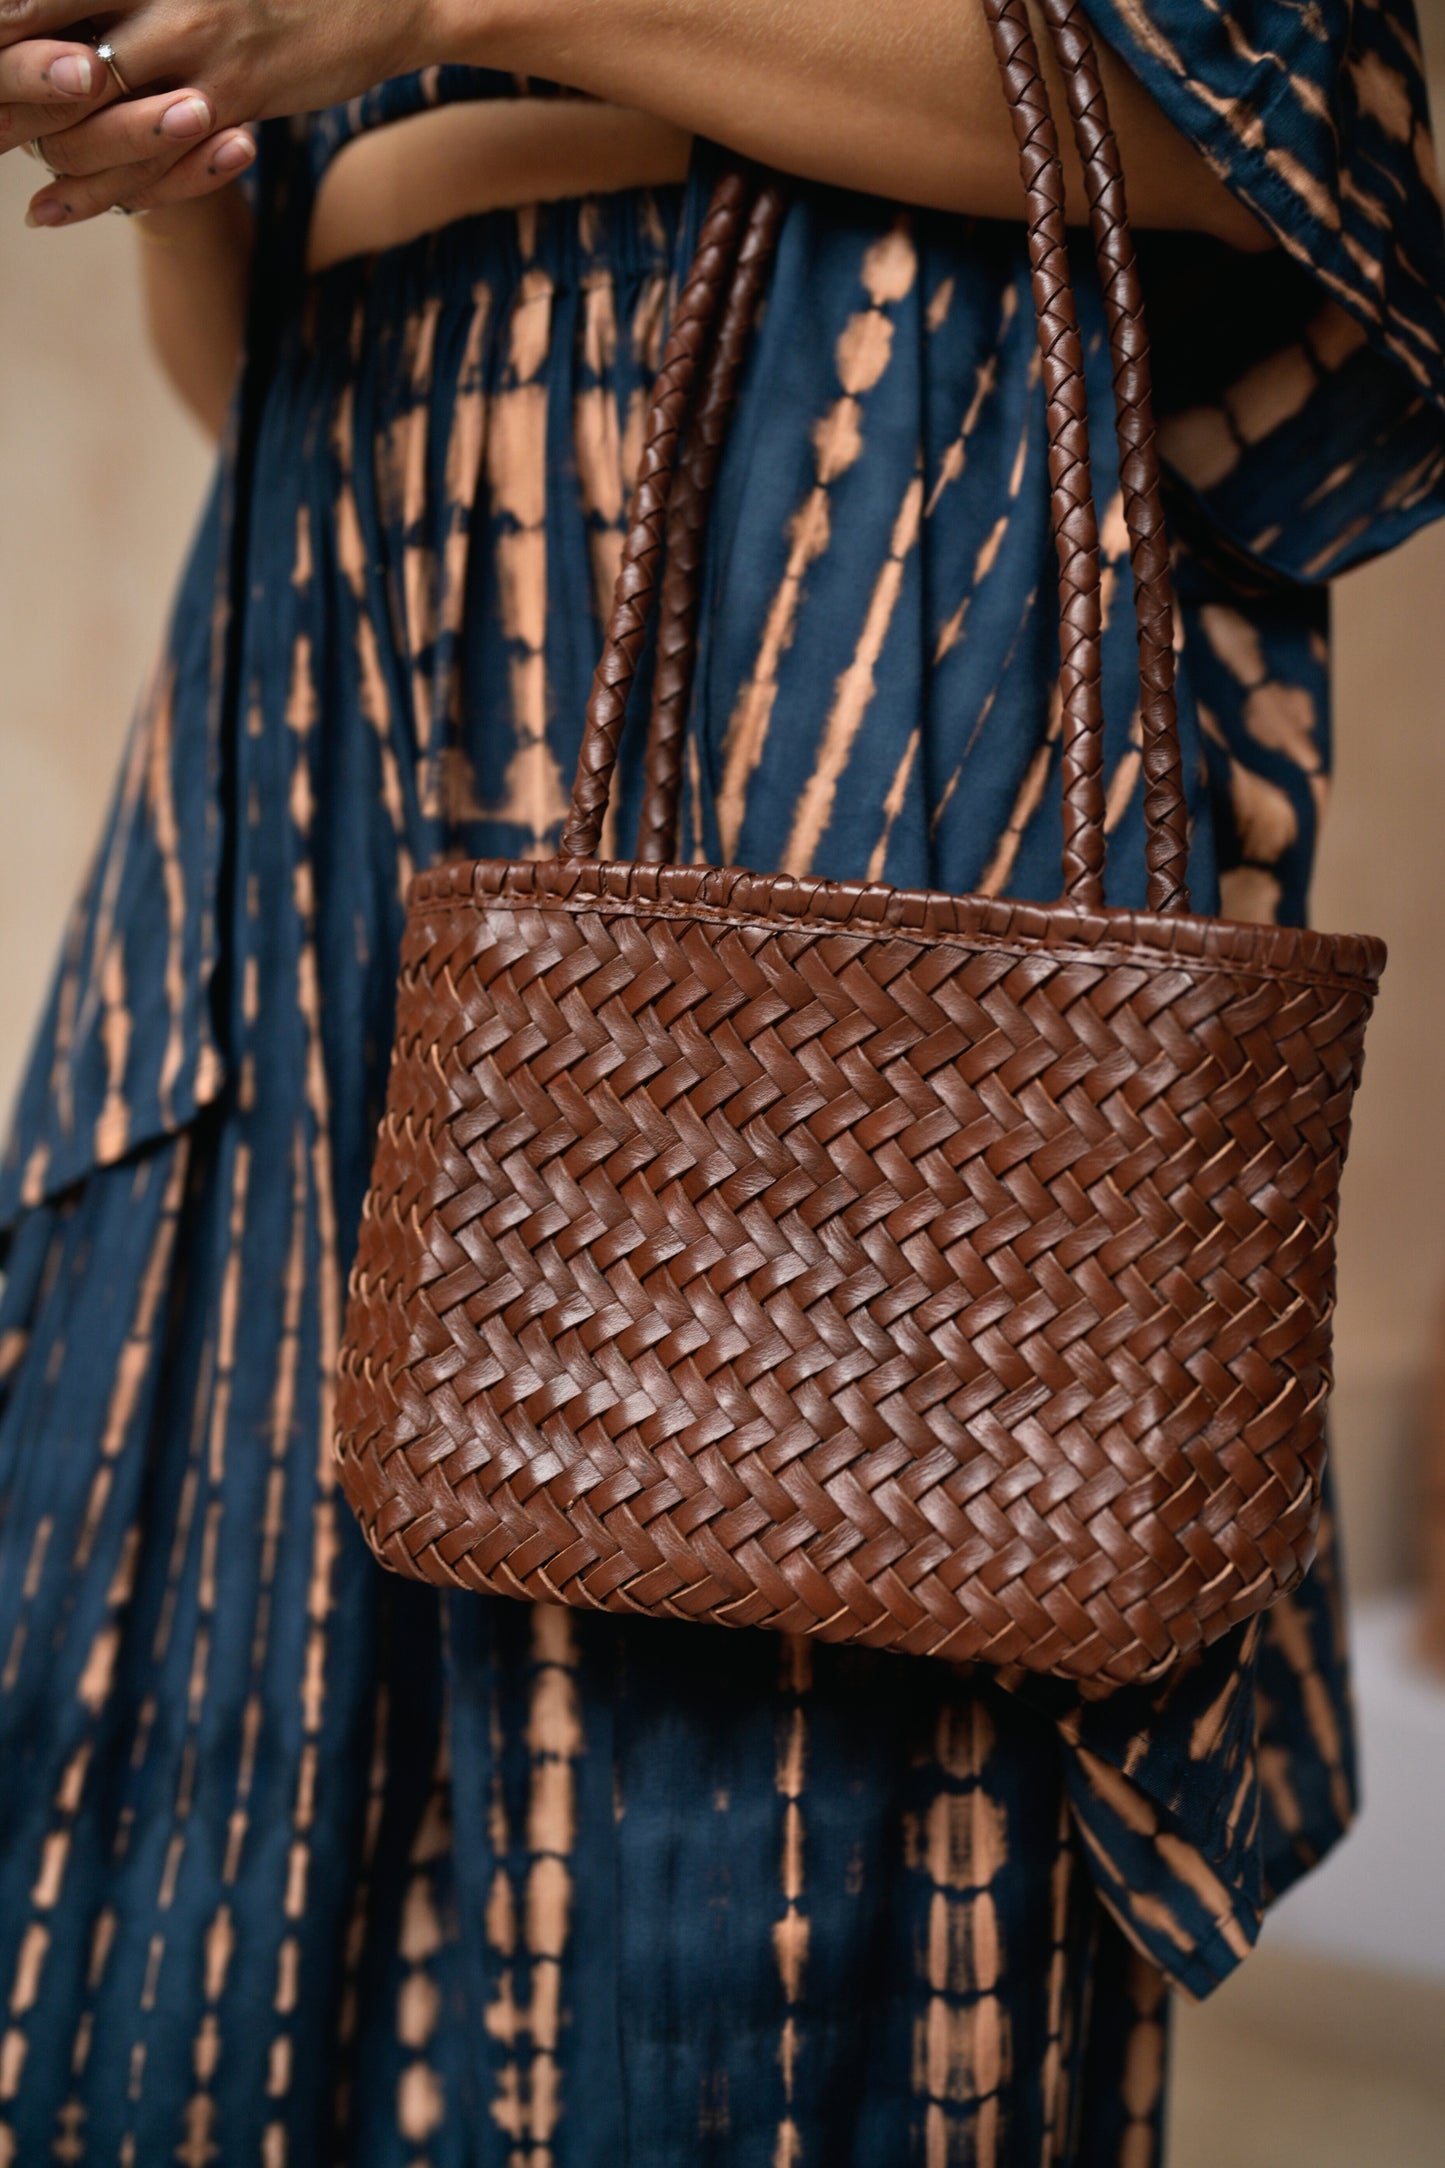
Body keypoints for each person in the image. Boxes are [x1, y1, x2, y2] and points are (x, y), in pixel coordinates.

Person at [2, 4, 1443, 2160]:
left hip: (843, 813)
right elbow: (265, 384)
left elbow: (1282, 140)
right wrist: (182, 116)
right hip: (327, 815)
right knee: (212, 1900)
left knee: (777, 1918)